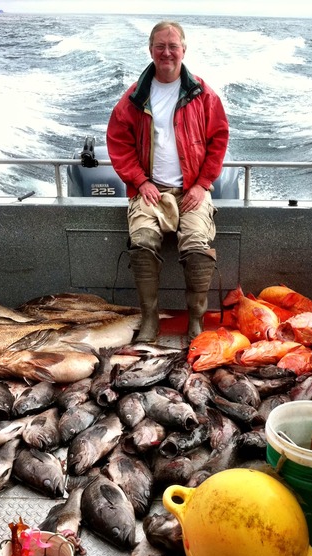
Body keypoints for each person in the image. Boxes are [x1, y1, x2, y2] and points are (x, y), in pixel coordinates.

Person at [107, 20, 229, 343]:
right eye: (160, 46)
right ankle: (150, 319)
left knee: (198, 247)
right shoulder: (134, 98)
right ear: (150, 50)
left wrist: (203, 184)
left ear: (184, 50)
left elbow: (219, 138)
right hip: (151, 191)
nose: (167, 53)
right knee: (143, 243)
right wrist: (139, 181)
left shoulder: (203, 95)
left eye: (173, 46)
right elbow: (117, 142)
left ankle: (196, 321)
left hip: (193, 190)